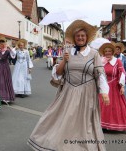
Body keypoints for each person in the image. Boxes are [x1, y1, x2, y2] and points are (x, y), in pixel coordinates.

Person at [28, 20, 110, 151]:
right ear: (74, 38)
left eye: (83, 36)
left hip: (87, 93)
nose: (80, 38)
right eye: (78, 36)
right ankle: (59, 145)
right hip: (68, 91)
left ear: (87, 37)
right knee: (61, 118)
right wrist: (64, 60)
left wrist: (104, 92)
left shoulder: (94, 53)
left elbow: (100, 74)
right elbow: (59, 73)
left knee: (83, 122)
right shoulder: (67, 51)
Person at [98, 43, 126, 131]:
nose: (107, 53)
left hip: (114, 87)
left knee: (113, 106)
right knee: (103, 106)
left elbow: (122, 73)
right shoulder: (101, 61)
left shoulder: (117, 61)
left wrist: (122, 86)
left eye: (109, 51)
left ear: (113, 52)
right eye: (106, 51)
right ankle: (102, 124)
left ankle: (114, 125)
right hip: (103, 87)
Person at [0, 36, 16, 104]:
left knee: (4, 82)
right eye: (0, 44)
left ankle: (5, 97)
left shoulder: (7, 51)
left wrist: (10, 49)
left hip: (5, 68)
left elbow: (13, 56)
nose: (1, 45)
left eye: (2, 43)